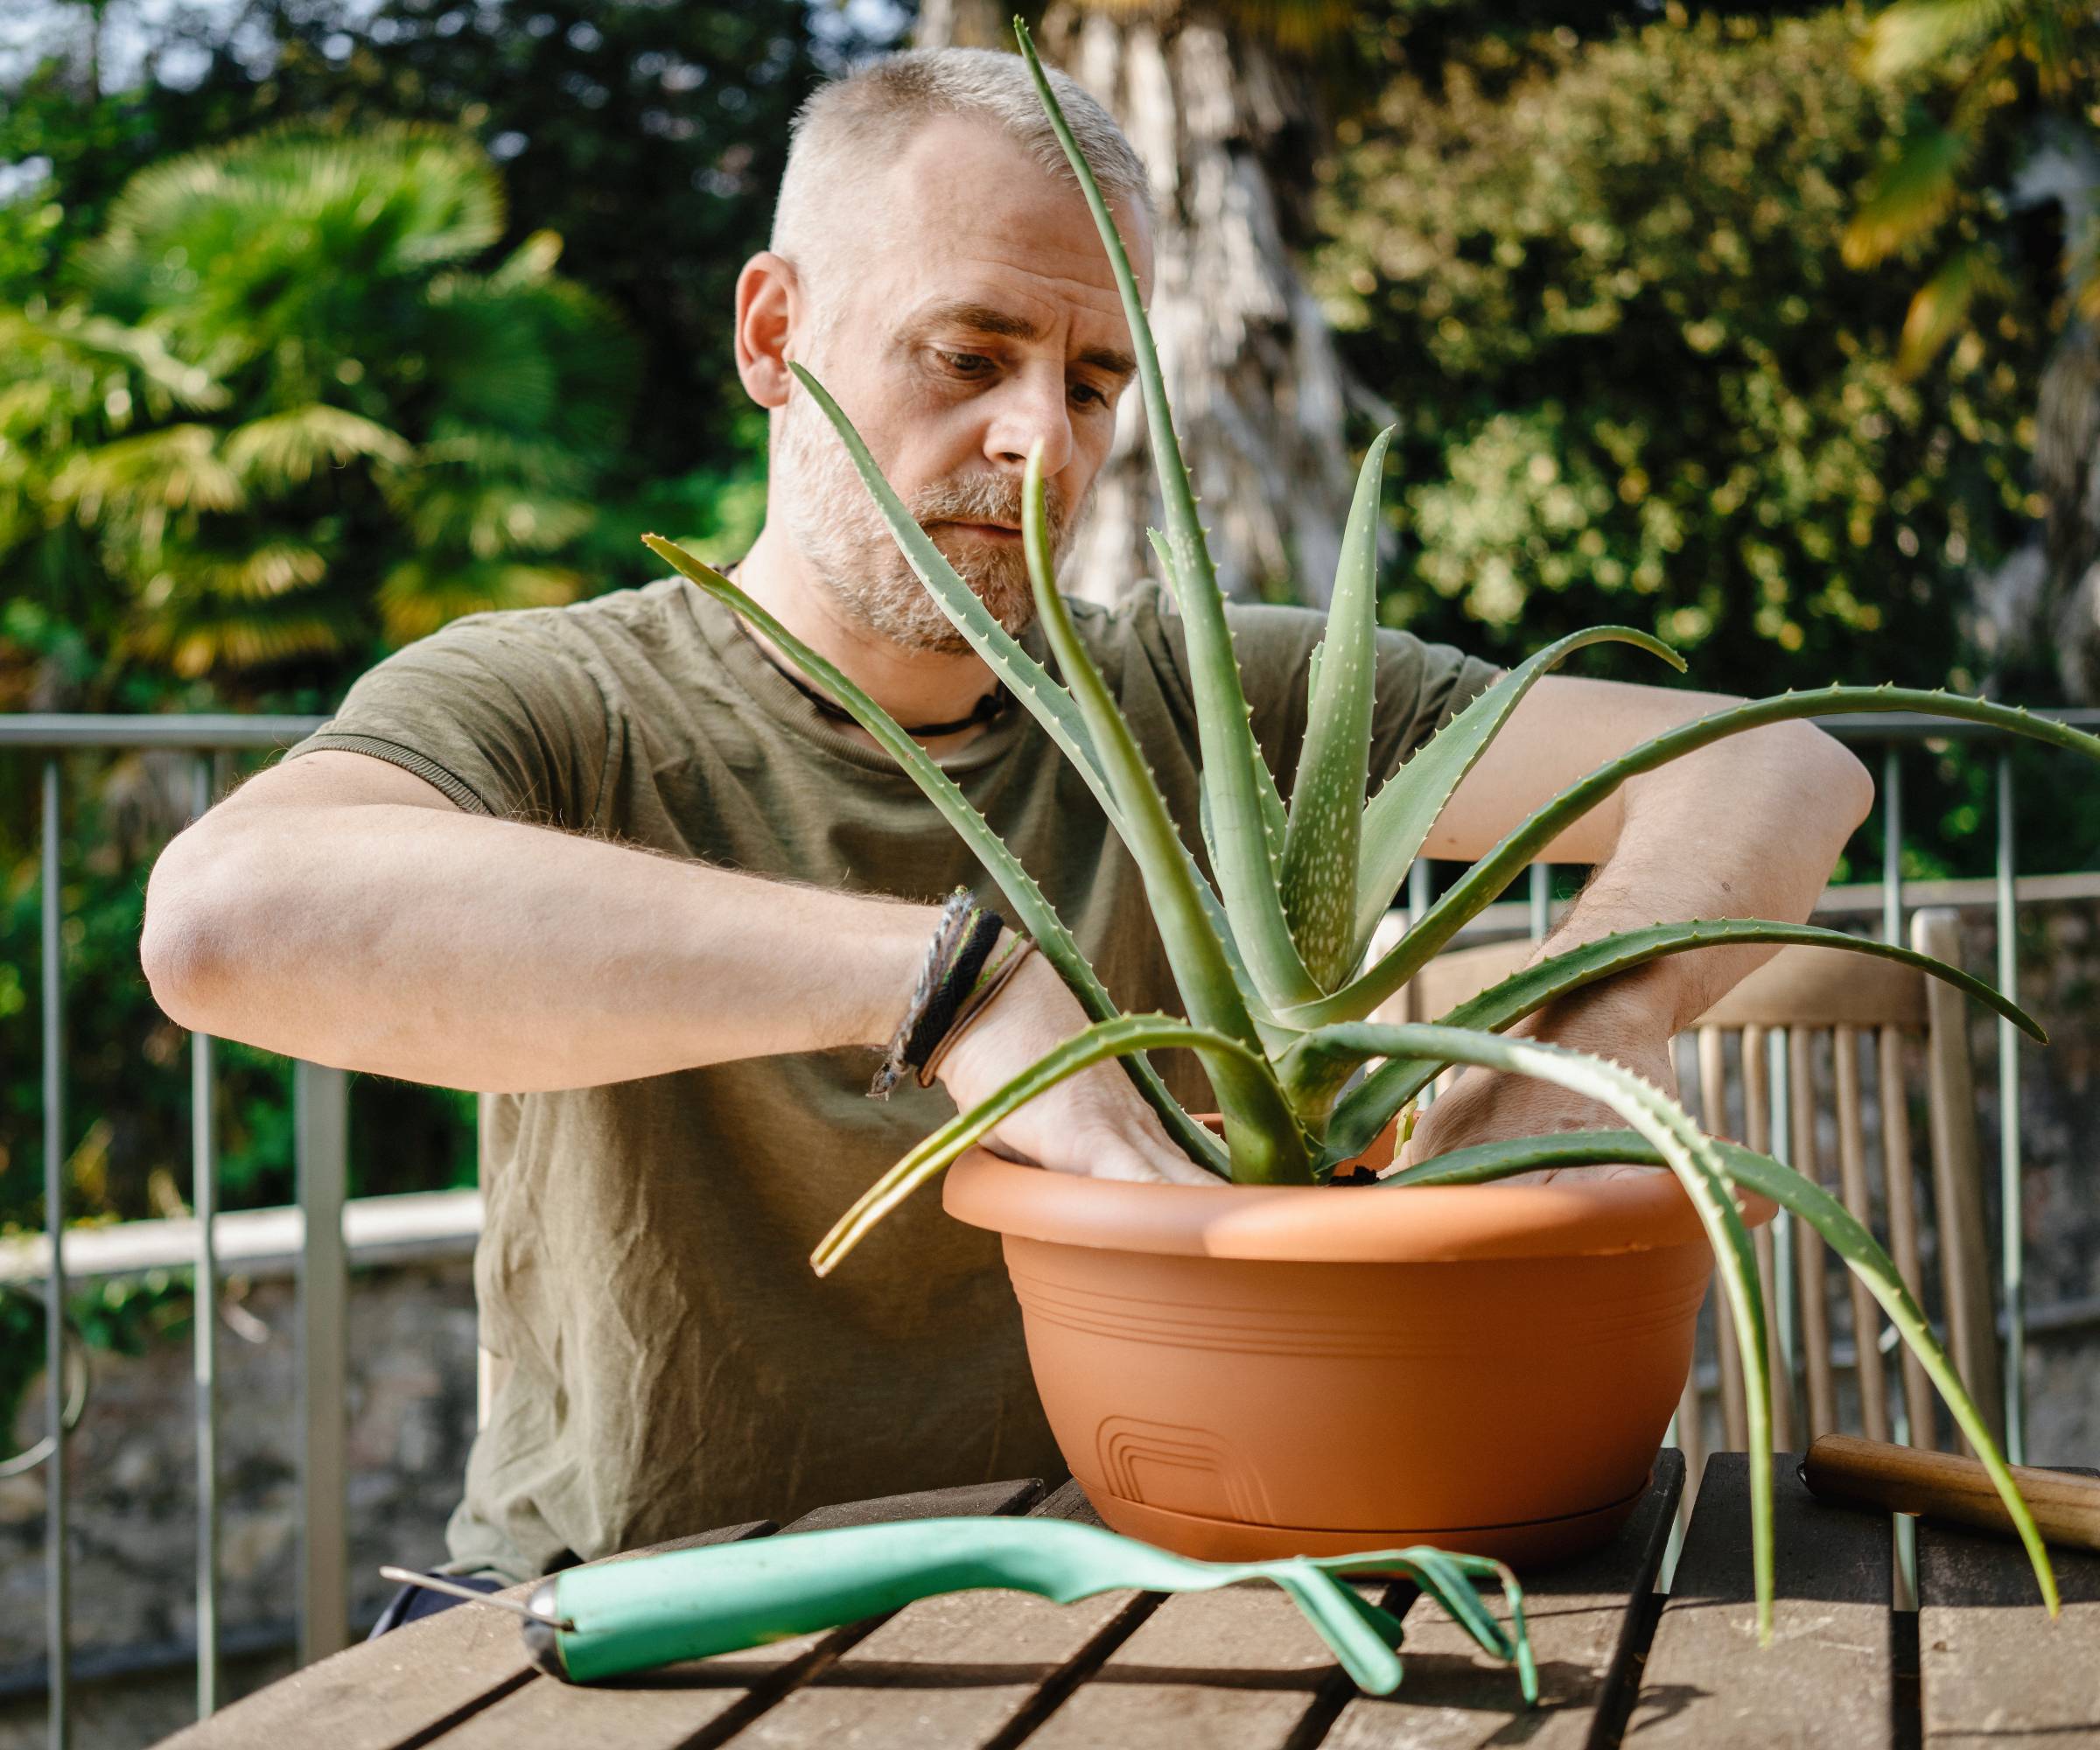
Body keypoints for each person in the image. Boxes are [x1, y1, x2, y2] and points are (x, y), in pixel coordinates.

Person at [140, 46, 1872, 1612]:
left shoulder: (1214, 697)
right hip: (641, 1615)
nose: (1043, 444)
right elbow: (225, 919)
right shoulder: (569, 701)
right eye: (968, 354)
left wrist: (1574, 1032)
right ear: (772, 335)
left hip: (1136, 1596)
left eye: (1099, 383)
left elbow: (1777, 769)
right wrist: (951, 984)